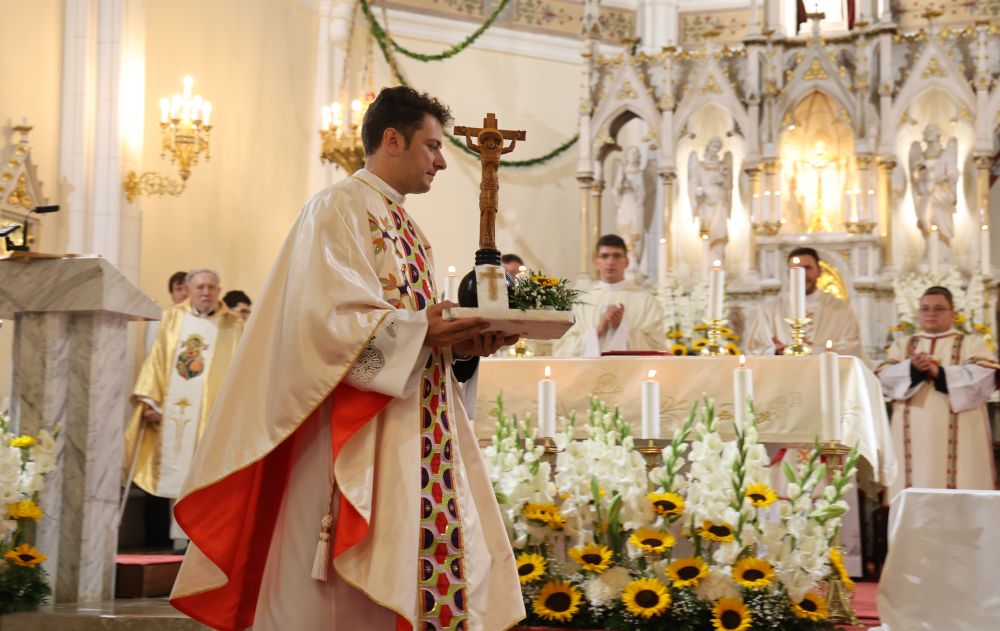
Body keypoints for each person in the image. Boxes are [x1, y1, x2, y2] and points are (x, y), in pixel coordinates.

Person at [169, 86, 525, 631]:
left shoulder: (406, 226)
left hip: (407, 427)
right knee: (334, 598)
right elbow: (324, 323)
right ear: (392, 139)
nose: (440, 162)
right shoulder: (336, 208)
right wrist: (422, 330)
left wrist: (460, 346)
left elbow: (410, 327)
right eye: (431, 146)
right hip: (347, 433)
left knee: (396, 572)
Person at [124, 269, 245, 548]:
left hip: (215, 418)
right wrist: (150, 401)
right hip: (175, 414)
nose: (206, 292)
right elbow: (156, 360)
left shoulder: (233, 325)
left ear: (219, 290)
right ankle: (178, 541)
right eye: (200, 286)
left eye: (212, 287)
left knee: (208, 476)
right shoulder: (172, 318)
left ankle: (204, 540)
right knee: (175, 472)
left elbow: (242, 372)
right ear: (189, 290)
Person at [877, 286, 998, 502]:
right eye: (925, 309)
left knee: (962, 502)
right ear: (918, 313)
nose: (931, 313)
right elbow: (884, 379)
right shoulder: (902, 345)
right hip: (913, 438)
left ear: (953, 312)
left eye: (939, 308)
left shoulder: (972, 343)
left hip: (963, 439)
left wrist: (939, 373)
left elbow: (984, 378)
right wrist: (912, 369)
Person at [554, 234, 667, 357]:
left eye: (617, 256)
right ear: (596, 262)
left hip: (633, 373)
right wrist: (598, 331)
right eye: (604, 256)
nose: (610, 262)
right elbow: (561, 350)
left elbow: (658, 347)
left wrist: (622, 328)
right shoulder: (580, 304)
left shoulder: (646, 302)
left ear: (626, 262)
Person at [745, 247, 865, 359]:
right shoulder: (771, 309)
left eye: (807, 268)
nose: (802, 274)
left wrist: (814, 351)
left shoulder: (840, 308)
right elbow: (756, 347)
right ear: (788, 274)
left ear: (820, 271)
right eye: (796, 269)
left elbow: (852, 347)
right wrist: (775, 351)